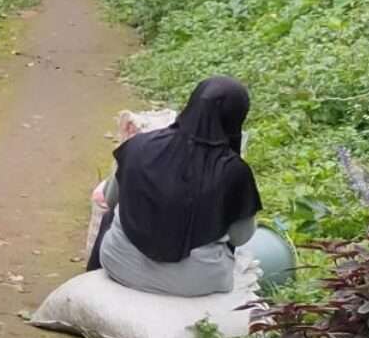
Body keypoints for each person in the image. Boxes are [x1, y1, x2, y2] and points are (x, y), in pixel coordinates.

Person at [90, 76, 261, 297]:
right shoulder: (235, 172)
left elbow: (110, 199)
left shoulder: (138, 146)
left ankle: (95, 282)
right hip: (197, 283)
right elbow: (241, 237)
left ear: (191, 105)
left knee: (112, 216)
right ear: (236, 119)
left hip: (122, 266)